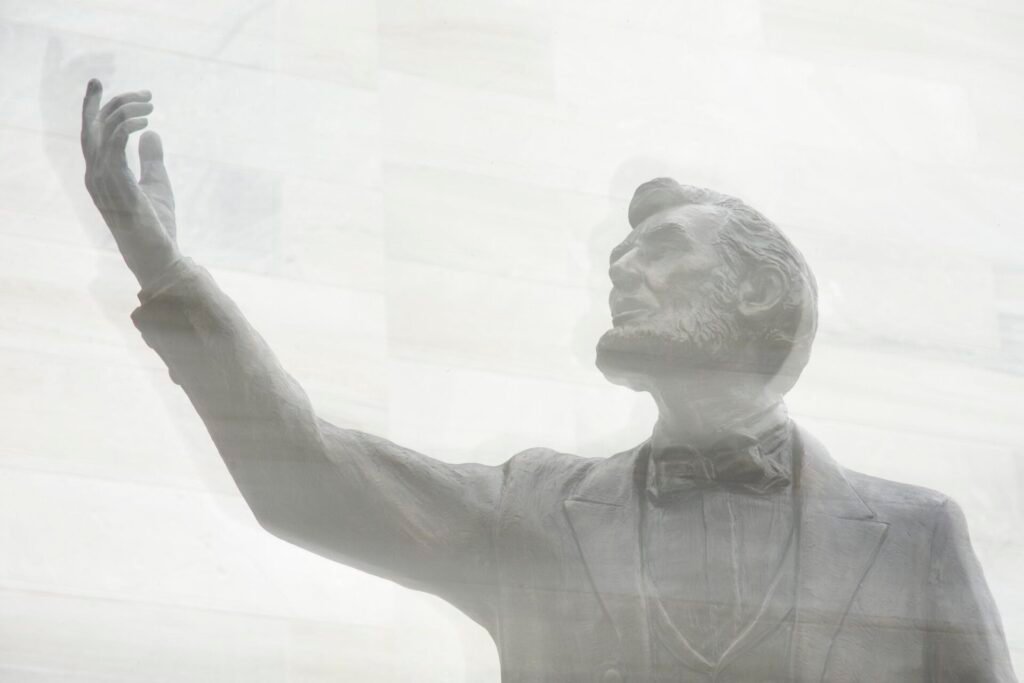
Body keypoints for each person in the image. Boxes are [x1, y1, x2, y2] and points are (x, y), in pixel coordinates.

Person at [80, 79, 1016, 682]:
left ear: (758, 289)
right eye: (619, 258)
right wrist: (170, 277)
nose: (623, 272)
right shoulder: (536, 510)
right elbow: (309, 473)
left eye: (661, 250)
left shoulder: (914, 537)